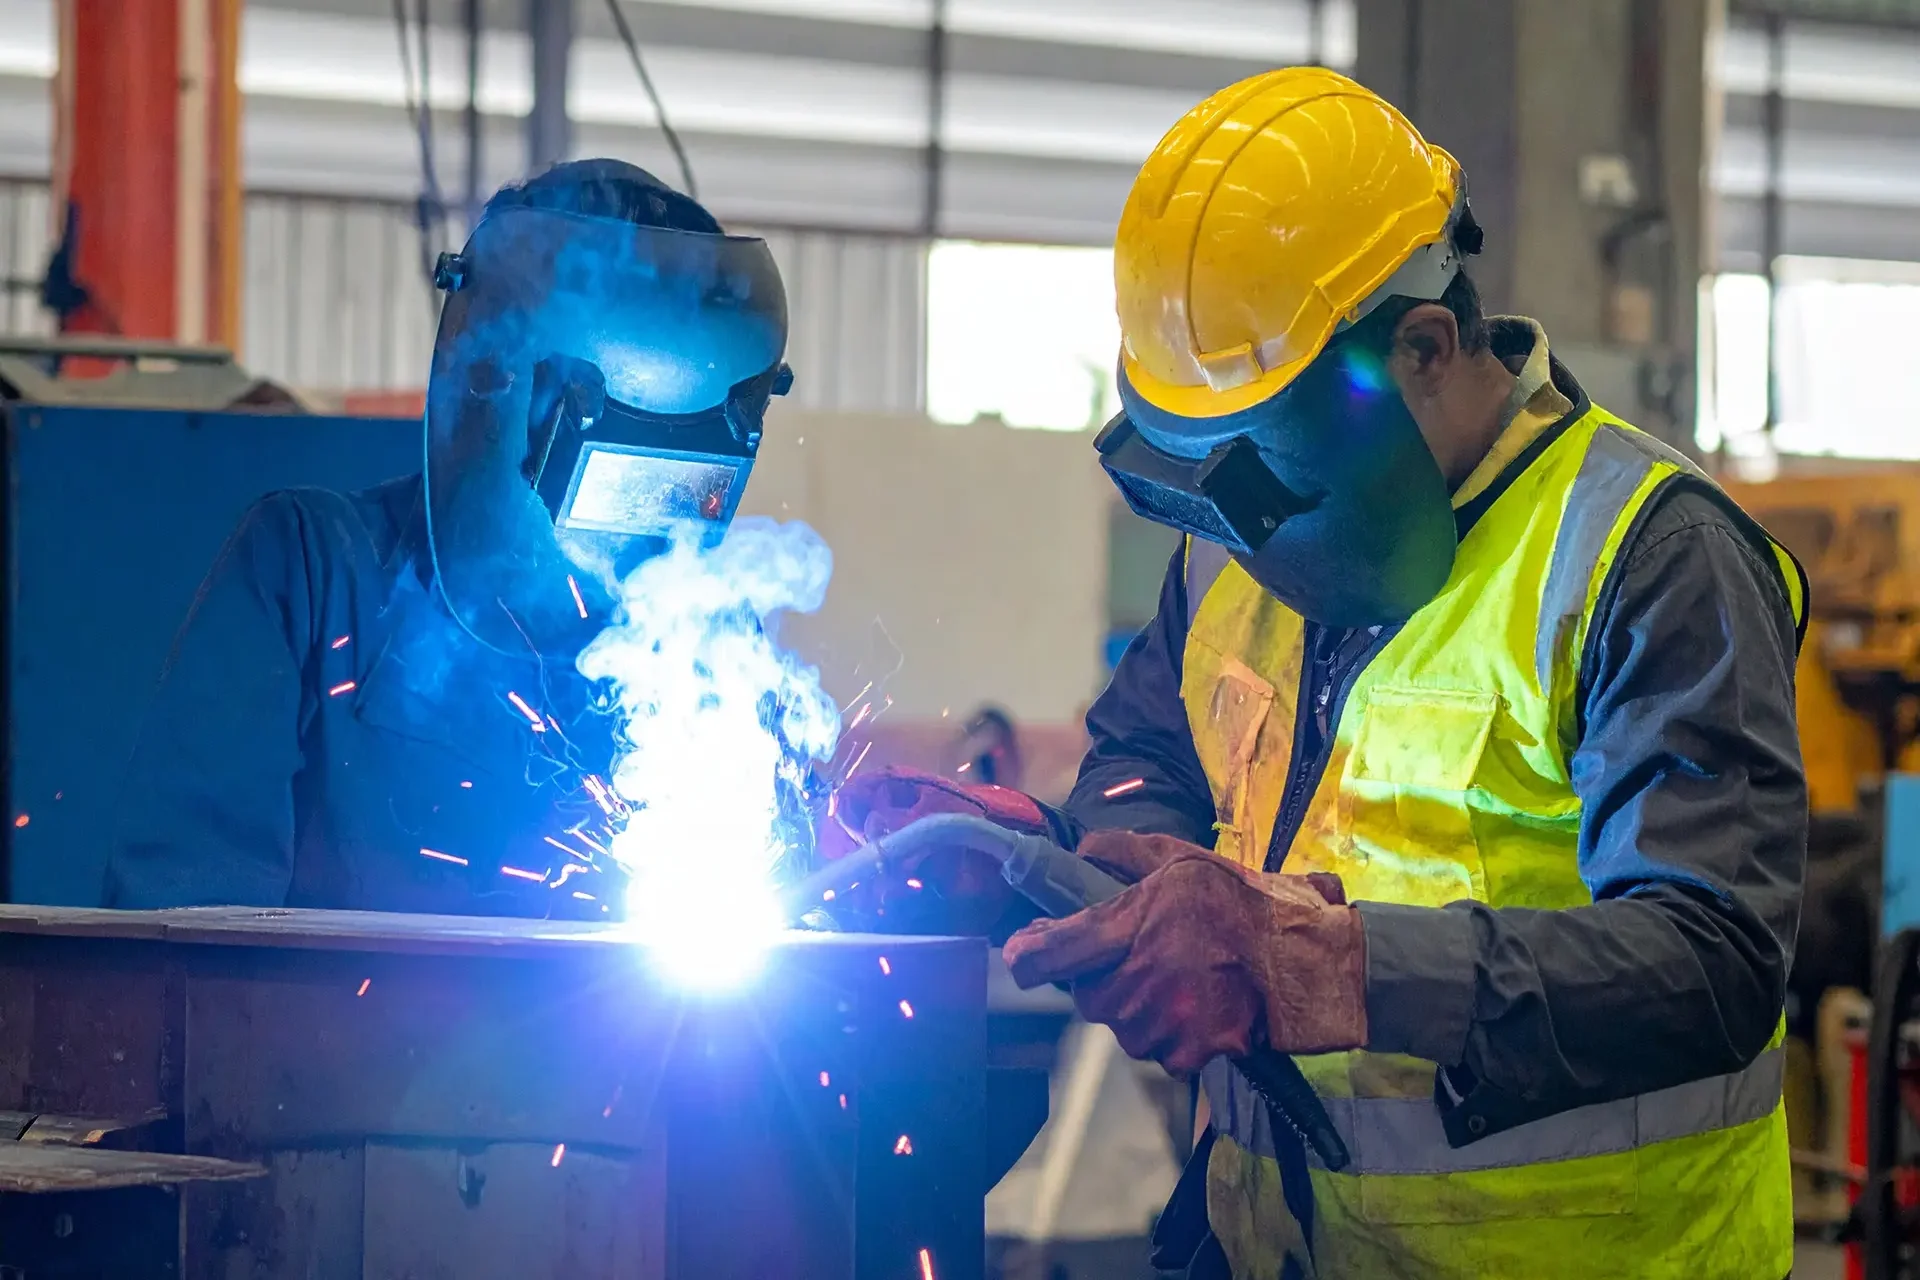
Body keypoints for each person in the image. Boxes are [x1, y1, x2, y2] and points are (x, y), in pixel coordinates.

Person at [826, 69, 1806, 1279]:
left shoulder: (1648, 554)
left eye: (1265, 463)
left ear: (1424, 348)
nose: (1241, 530)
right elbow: (1149, 763)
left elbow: (1710, 963)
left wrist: (1330, 967)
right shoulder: (1229, 543)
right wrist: (1053, 856)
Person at [106, 159, 795, 917]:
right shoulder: (314, 570)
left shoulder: (713, 642)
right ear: (502, 387)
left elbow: (791, 912)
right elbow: (187, 922)